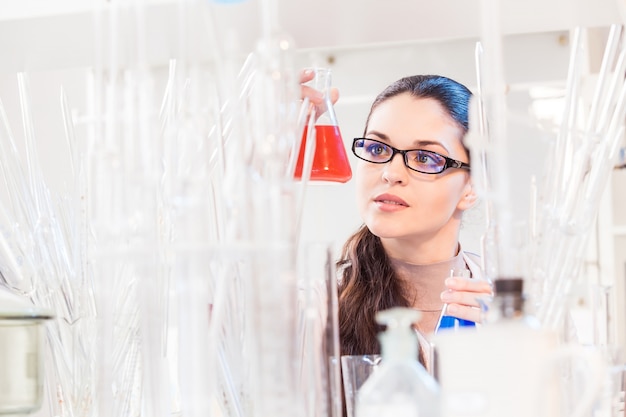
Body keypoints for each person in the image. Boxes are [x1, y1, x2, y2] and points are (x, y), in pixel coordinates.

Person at [299, 71, 493, 371]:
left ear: (472, 187)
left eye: (425, 158)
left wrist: (522, 351)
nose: (391, 173)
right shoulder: (315, 310)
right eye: (377, 149)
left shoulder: (515, 309)